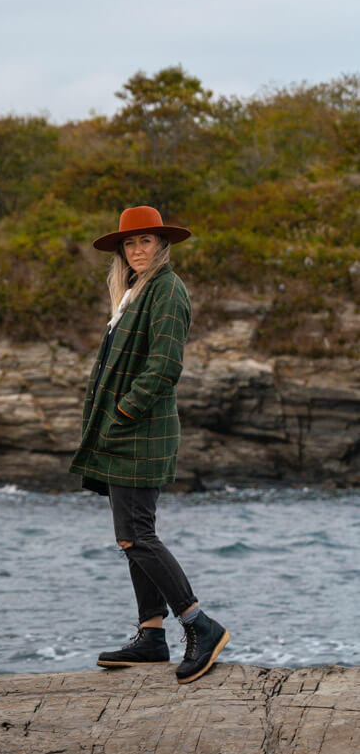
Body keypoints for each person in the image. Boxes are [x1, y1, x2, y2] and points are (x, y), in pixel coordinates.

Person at [69, 205, 230, 684]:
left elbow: (164, 366)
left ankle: (200, 624)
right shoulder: (134, 293)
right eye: (129, 243)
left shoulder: (167, 290)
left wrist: (123, 412)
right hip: (126, 433)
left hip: (140, 431)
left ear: (162, 245)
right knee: (132, 537)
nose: (137, 250)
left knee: (136, 535)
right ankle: (152, 634)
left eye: (146, 242)